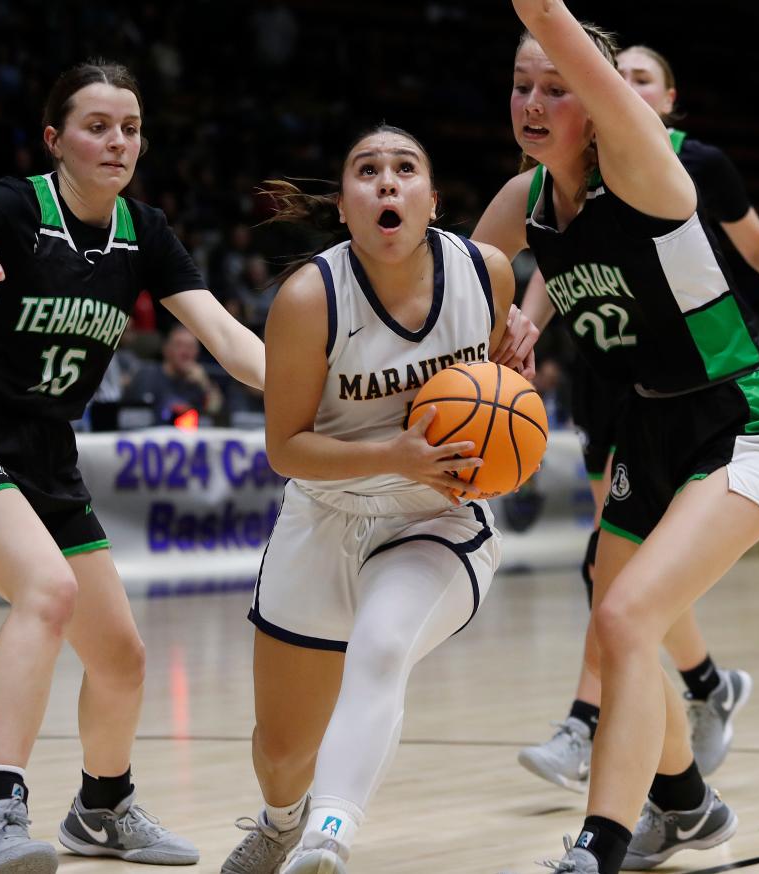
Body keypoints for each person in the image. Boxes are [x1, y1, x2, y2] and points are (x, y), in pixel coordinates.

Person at [0, 60, 265, 874]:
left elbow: (232, 346)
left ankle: (101, 807)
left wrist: (328, 391)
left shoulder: (147, 232)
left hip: (48, 456)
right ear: (56, 139)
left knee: (123, 655)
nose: (117, 141)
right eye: (98, 126)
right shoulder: (14, 208)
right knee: (47, 591)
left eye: (130, 128)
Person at [474, 4, 759, 870]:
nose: (535, 102)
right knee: (622, 618)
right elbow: (449, 290)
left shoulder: (647, 173)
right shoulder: (528, 201)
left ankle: (600, 843)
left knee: (625, 618)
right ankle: (687, 804)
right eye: (521, 86)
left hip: (738, 418)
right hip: (645, 426)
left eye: (559, 86)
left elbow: (551, 18)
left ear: (599, 98)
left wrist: (548, 25)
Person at [509, 41, 759, 794]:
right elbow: (550, 259)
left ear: (666, 99)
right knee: (617, 580)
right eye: (615, 74)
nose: (621, 87)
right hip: (620, 375)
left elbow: (755, 245)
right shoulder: (548, 181)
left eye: (639, 80)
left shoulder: (686, 165)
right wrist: (524, 319)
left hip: (703, 364)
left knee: (626, 588)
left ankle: (597, 720)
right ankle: (697, 693)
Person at [220, 124, 513, 874]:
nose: (387, 182)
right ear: (346, 209)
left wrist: (514, 406)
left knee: (382, 646)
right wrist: (393, 453)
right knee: (281, 752)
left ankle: (328, 839)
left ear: (432, 201)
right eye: (367, 171)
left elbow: (503, 403)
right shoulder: (309, 296)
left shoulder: (486, 274)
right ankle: (284, 820)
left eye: (405, 169)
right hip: (325, 511)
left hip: (436, 516)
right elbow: (286, 449)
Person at [122, 323, 227, 425]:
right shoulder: (148, 374)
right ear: (166, 349)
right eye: (179, 345)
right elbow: (130, 415)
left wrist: (205, 384)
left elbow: (215, 413)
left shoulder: (199, 382)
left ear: (197, 352)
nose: (185, 352)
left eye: (190, 347)